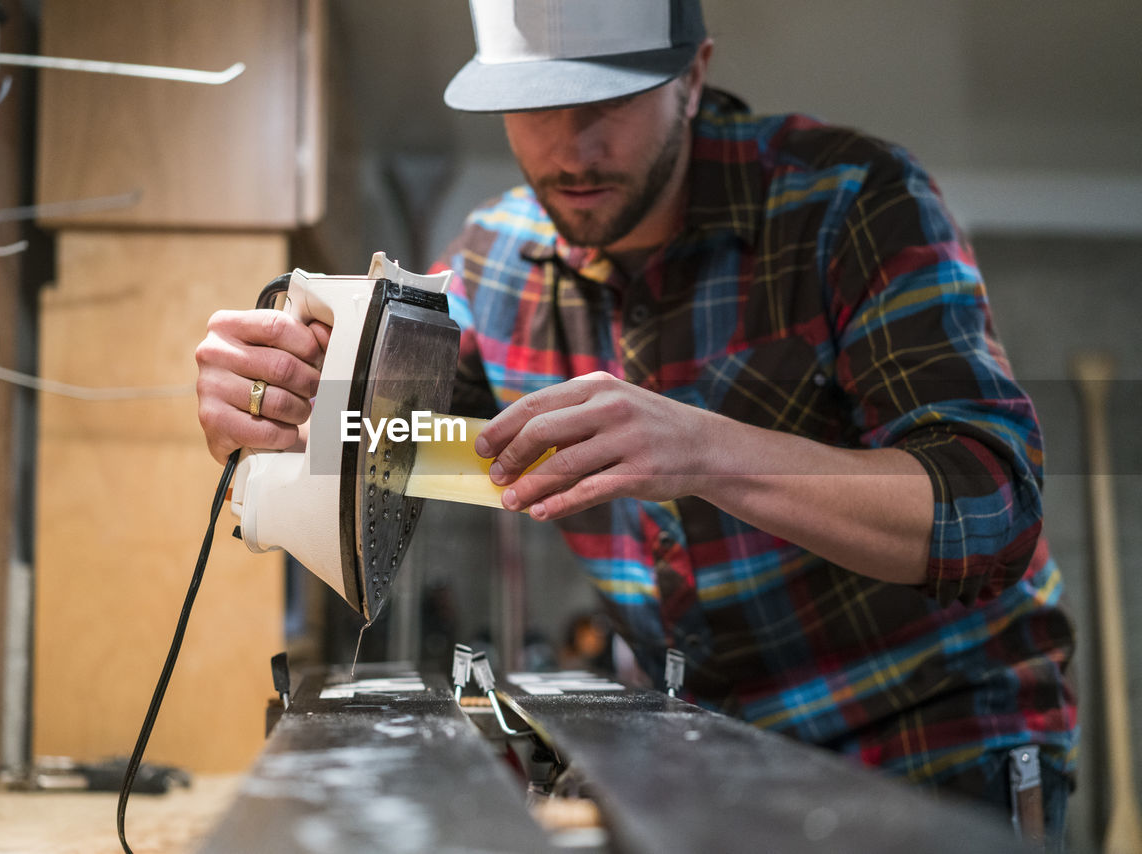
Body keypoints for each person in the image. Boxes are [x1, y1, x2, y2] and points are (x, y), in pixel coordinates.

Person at [195, 0, 1076, 844]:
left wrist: (706, 450)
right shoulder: (492, 263)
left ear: (693, 76)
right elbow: (387, 449)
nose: (572, 148)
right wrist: (276, 412)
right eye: (534, 106)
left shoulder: (853, 203)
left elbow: (990, 510)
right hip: (692, 741)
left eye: (609, 101)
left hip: (927, 735)